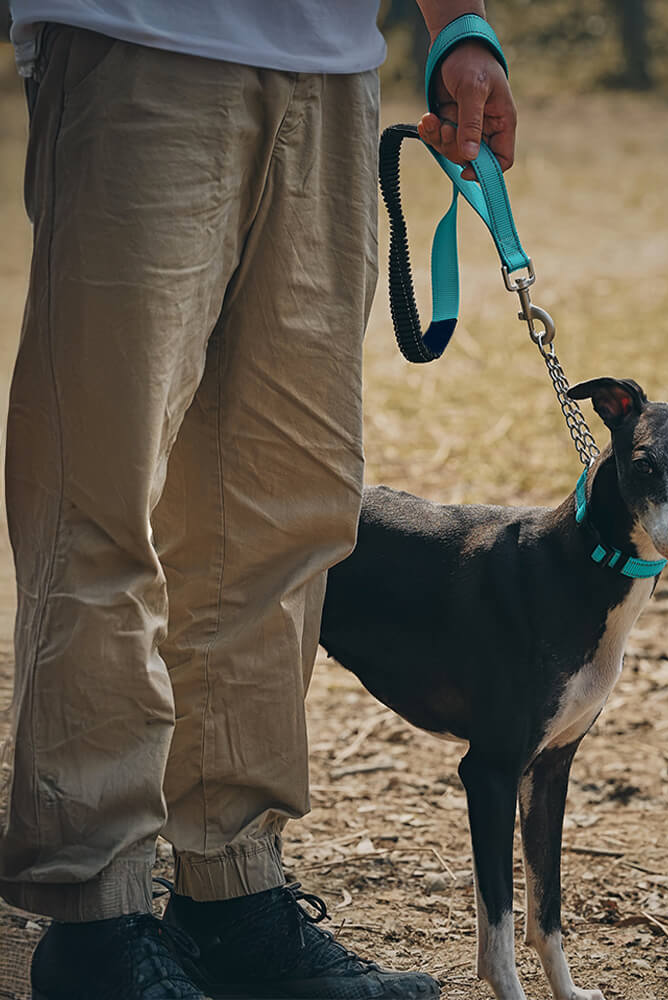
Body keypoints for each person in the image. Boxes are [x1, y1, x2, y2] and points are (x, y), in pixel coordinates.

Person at [0, 2, 516, 998]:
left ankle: (232, 900)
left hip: (331, 74)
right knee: (100, 501)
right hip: (137, 46)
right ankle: (95, 922)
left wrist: (458, 23)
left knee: (282, 513)